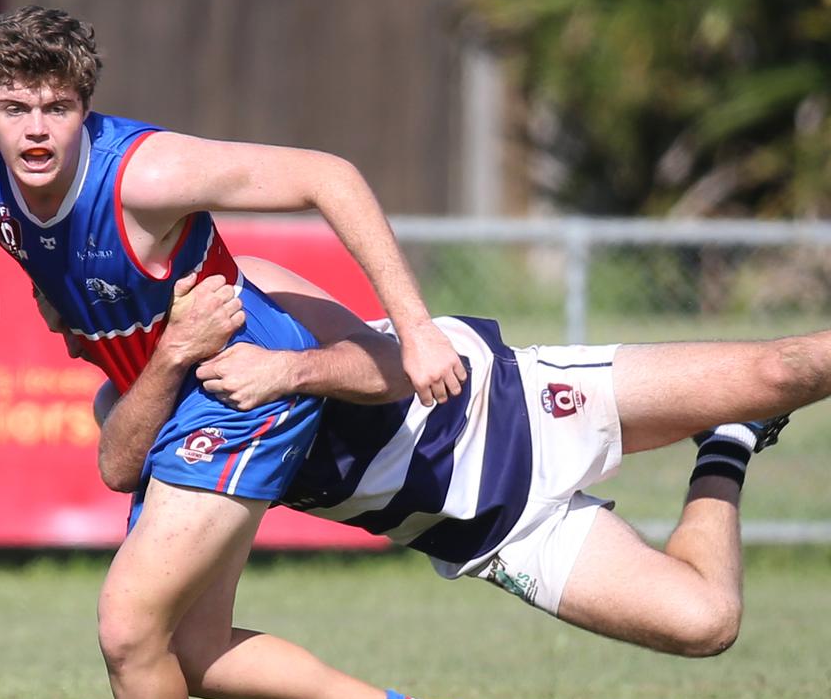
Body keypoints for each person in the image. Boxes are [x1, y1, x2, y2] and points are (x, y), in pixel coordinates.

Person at [0, 4, 483, 699]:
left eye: (57, 108)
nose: (35, 129)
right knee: (192, 651)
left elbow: (329, 176)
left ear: (85, 110)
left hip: (235, 385)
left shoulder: (143, 175)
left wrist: (414, 328)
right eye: (15, 107)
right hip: (160, 393)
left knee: (128, 629)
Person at [96, 256, 807, 670]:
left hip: (514, 405)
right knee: (705, 622)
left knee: (779, 369)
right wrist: (166, 364)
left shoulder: (245, 282)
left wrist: (287, 373)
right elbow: (119, 467)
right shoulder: (135, 402)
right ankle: (731, 440)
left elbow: (388, 366)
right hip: (493, 532)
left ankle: (743, 408)